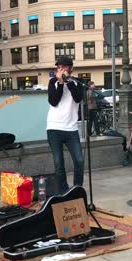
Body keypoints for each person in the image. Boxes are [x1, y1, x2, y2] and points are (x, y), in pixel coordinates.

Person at [47, 56, 84, 194]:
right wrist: (61, 83)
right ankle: (63, 192)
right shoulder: (53, 82)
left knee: (79, 161)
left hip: (71, 129)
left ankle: (77, 189)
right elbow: (53, 101)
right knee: (58, 163)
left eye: (64, 67)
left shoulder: (78, 82)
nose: (61, 69)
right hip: (54, 128)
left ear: (71, 68)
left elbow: (78, 97)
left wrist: (67, 81)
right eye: (59, 67)